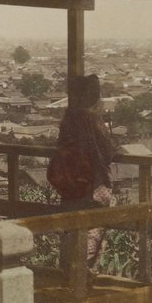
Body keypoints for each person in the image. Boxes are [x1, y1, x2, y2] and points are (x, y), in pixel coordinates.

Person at [52, 73, 116, 270]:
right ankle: (84, 276)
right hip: (93, 185)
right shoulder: (91, 119)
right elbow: (107, 150)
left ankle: (69, 274)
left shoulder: (69, 118)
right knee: (93, 231)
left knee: (71, 232)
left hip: (70, 186)